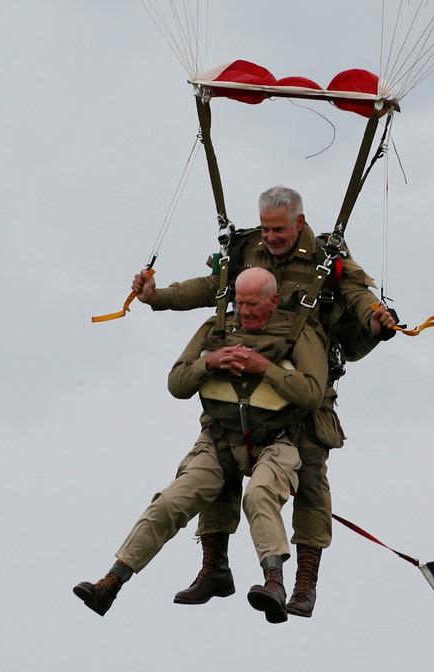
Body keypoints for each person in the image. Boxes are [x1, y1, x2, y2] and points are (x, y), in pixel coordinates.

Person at [130, 185, 396, 617]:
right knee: (220, 462)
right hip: (245, 388)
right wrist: (159, 298)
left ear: (300, 223)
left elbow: (358, 295)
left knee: (309, 481)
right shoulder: (249, 250)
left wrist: (375, 318)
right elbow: (214, 288)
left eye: (279, 230)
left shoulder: (328, 259)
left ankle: (304, 584)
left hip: (302, 384)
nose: (271, 237)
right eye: (267, 228)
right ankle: (214, 569)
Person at [74, 268, 327, 623]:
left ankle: (274, 582)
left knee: (259, 494)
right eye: (239, 304)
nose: (245, 312)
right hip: (219, 439)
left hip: (276, 440)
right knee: (171, 501)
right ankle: (112, 582)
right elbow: (177, 383)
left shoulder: (300, 332)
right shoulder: (216, 329)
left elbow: (312, 394)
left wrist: (264, 367)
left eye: (253, 305)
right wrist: (209, 362)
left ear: (273, 301)